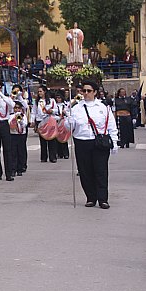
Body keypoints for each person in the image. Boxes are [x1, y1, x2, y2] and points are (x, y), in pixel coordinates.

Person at [65, 80, 118, 209]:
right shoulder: (76, 108)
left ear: (95, 92)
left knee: (100, 170)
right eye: (84, 91)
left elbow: (111, 124)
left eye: (89, 91)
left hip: (98, 142)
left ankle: (103, 199)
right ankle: (91, 197)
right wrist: (69, 120)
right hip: (82, 141)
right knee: (85, 171)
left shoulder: (103, 107)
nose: (86, 93)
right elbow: (69, 128)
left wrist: (114, 141)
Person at [0, 79, 14, 181]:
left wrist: (1, 94)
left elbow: (12, 105)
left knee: (7, 149)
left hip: (4, 124)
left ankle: (9, 173)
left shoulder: (6, 99)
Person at [31, 85, 57, 163]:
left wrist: (52, 111)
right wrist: (32, 121)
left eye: (41, 91)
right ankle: (43, 157)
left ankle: (53, 157)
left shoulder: (51, 100)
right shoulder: (37, 101)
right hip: (40, 121)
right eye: (38, 91)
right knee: (42, 140)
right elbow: (34, 112)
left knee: (51, 139)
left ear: (44, 91)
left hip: (49, 120)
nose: (39, 93)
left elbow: (56, 110)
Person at [8, 102, 28, 177]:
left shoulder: (24, 116)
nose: (17, 109)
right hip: (13, 135)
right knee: (13, 152)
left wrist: (20, 120)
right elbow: (9, 124)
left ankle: (20, 168)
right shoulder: (11, 116)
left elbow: (25, 124)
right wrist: (14, 119)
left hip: (21, 135)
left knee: (21, 152)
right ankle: (13, 169)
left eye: (18, 108)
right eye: (15, 108)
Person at [53, 93, 70, 159]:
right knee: (57, 138)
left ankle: (66, 153)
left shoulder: (65, 105)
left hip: (63, 123)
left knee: (64, 138)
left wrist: (65, 112)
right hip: (57, 122)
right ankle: (59, 153)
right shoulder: (55, 105)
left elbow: (68, 113)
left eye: (59, 98)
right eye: (57, 98)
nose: (58, 99)